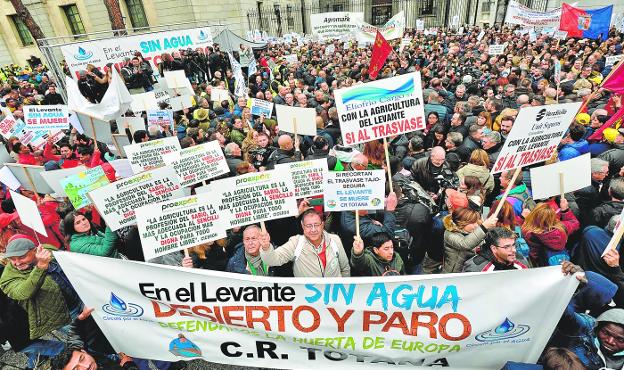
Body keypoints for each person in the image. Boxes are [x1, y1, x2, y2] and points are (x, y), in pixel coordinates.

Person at [0, 235, 82, 341]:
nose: (17, 263)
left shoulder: (46, 251)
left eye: (21, 257)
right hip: (66, 315)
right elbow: (23, 293)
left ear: (35, 251)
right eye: (12, 259)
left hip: (81, 299)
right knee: (84, 340)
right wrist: (41, 267)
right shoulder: (8, 277)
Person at [259, 209, 350, 277]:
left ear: (322, 225)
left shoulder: (335, 240)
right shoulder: (296, 243)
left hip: (335, 298)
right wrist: (266, 247)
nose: (313, 229)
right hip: (308, 300)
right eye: (309, 226)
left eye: (316, 225)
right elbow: (272, 260)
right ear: (303, 226)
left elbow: (345, 269)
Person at [522, 199, 580, 267]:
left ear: (534, 215)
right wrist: (565, 210)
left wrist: (525, 218)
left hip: (541, 264)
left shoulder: (529, 232)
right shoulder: (562, 228)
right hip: (563, 262)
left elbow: (517, 229)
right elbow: (574, 222)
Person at [442, 207, 497, 273]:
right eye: (472, 223)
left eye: (476, 222)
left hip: (468, 270)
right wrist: (484, 227)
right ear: (461, 223)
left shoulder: (475, 232)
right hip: (453, 273)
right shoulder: (449, 234)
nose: (476, 225)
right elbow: (465, 244)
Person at [463, 227, 529, 272]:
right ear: (494, 248)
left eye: (514, 245)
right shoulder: (477, 268)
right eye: (507, 247)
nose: (514, 250)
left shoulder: (522, 260)